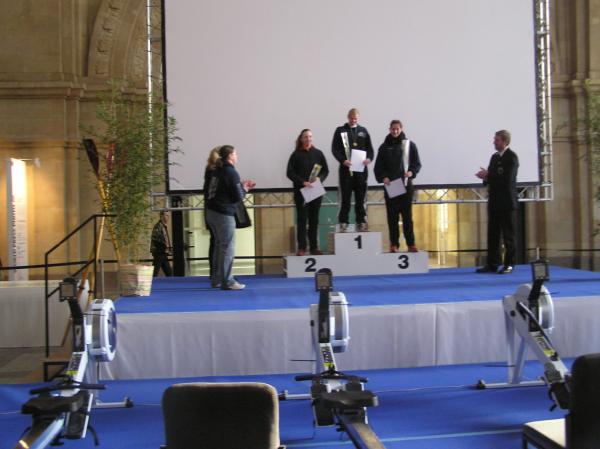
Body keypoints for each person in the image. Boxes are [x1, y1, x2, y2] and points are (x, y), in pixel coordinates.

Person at [205, 145, 255, 290]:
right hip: (224, 213)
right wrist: (245, 188)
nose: (237, 156)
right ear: (230, 156)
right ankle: (228, 281)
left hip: (211, 212)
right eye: (235, 154)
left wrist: (240, 187)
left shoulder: (217, 171)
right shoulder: (231, 172)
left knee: (218, 246)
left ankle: (217, 279)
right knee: (227, 247)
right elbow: (237, 197)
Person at [475, 130, 519, 274]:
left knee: (508, 235)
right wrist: (485, 177)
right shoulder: (494, 157)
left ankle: (509, 264)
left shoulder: (512, 157)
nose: (494, 142)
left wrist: (489, 175)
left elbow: (507, 179)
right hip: (494, 201)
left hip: (507, 201)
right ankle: (492, 263)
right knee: (493, 234)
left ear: (505, 141)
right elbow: (491, 177)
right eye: (495, 139)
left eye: (497, 140)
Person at [374, 120, 422, 253]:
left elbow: (416, 163)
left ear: (401, 129)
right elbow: (379, 167)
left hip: (406, 185)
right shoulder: (384, 147)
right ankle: (394, 244)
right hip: (392, 186)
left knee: (407, 217)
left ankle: (411, 244)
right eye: (393, 129)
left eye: (397, 129)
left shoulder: (409, 145)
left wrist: (411, 172)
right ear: (389, 129)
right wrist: (384, 177)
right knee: (392, 217)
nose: (395, 131)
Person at [286, 129, 330, 256]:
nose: (308, 139)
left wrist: (320, 179)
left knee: (314, 220)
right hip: (301, 192)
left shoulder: (318, 153)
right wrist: (302, 182)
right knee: (302, 220)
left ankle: (314, 247)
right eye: (305, 137)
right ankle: (302, 248)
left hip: (315, 191)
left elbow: (325, 171)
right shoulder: (295, 155)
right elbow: (289, 173)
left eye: (310, 136)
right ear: (301, 139)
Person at [331, 108, 374, 232]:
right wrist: (343, 160)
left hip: (360, 171)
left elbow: (370, 150)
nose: (353, 120)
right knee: (345, 198)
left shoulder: (363, 131)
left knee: (360, 198)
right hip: (346, 171)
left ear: (358, 118)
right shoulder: (341, 131)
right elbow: (335, 149)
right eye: (351, 118)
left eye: (355, 118)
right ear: (348, 117)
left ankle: (361, 222)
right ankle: (343, 222)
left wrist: (369, 159)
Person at [203, 147, 221, 286]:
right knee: (218, 243)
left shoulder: (209, 170)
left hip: (209, 210)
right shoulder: (216, 172)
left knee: (214, 241)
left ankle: (214, 273)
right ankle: (217, 273)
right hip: (217, 210)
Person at [150, 211, 173, 277]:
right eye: (166, 215)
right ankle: (150, 282)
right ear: (162, 216)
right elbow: (155, 239)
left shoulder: (163, 226)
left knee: (169, 273)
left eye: (168, 215)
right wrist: (164, 246)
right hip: (159, 253)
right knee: (155, 273)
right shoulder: (158, 226)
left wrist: (168, 249)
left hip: (163, 253)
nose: (168, 217)